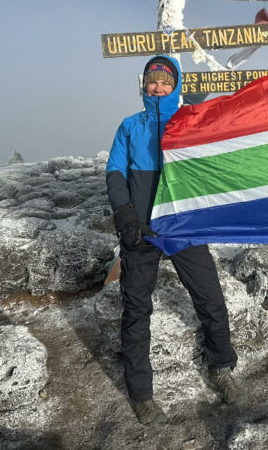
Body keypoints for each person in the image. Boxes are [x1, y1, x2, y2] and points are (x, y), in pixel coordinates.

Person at [106, 55, 240, 426]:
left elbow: (218, 161)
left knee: (210, 299)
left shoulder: (190, 123)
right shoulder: (130, 127)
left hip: (184, 227)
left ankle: (222, 367)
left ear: (176, 85)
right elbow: (115, 173)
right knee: (136, 311)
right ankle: (141, 392)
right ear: (144, 85)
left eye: (165, 81)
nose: (158, 87)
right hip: (141, 232)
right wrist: (125, 214)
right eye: (152, 81)